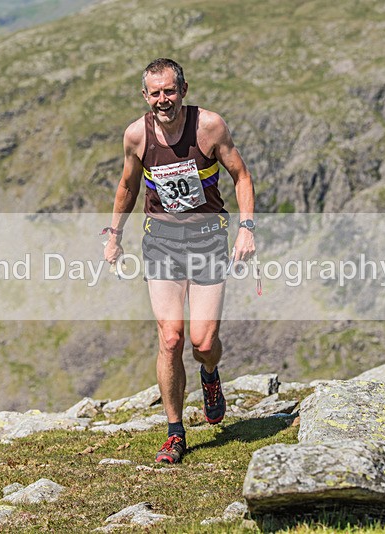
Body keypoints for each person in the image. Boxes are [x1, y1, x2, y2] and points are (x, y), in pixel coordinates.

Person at [103, 58, 255, 463]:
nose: (163, 100)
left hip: (207, 242)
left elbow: (241, 175)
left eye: (169, 91)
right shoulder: (136, 136)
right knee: (170, 338)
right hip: (162, 244)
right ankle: (175, 432)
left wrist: (247, 228)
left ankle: (209, 375)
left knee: (203, 343)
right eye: (155, 93)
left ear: (183, 90)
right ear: (145, 96)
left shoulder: (209, 126)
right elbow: (127, 185)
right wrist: (114, 235)